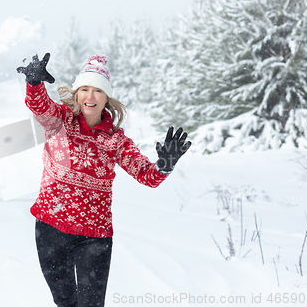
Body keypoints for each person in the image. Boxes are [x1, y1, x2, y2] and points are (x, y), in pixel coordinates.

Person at [17, 53, 191, 307]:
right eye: (85, 89)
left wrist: (164, 166)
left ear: (106, 97)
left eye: (98, 90)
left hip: (94, 236)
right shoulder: (60, 121)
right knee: (65, 301)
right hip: (51, 227)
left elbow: (147, 176)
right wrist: (34, 83)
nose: (90, 96)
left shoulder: (115, 140)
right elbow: (39, 106)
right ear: (77, 94)